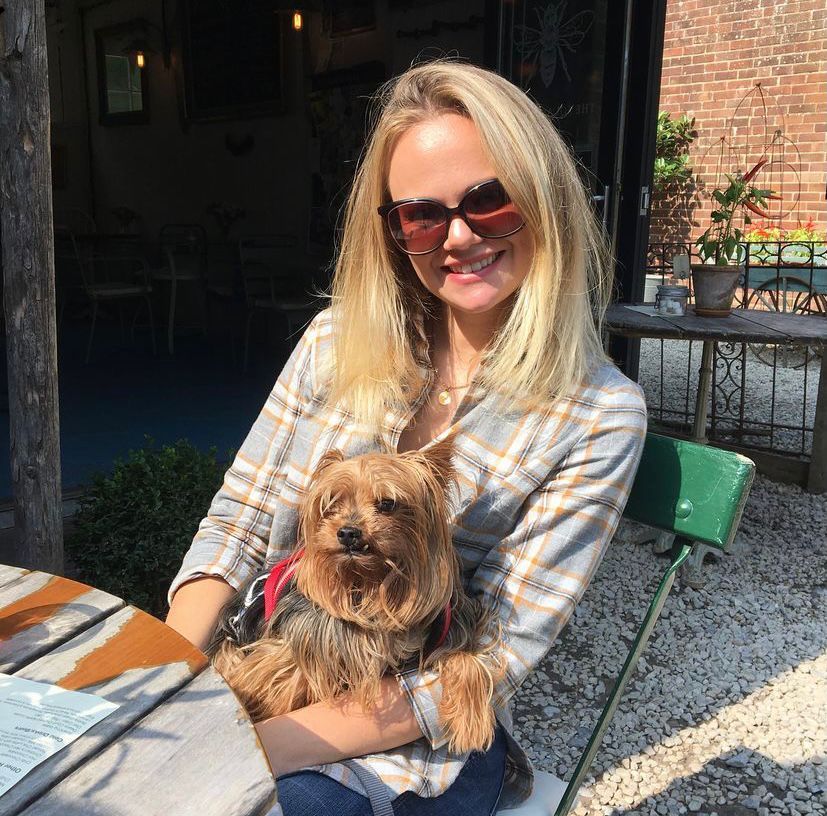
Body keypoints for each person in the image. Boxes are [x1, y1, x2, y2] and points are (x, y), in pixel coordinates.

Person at [166, 59, 647, 816]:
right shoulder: (334, 343)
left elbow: (491, 656)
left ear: (546, 198)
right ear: (393, 234)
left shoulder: (595, 414)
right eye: (421, 215)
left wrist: (247, 745)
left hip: (414, 737)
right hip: (274, 664)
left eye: (489, 201)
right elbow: (234, 527)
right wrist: (161, 686)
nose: (457, 237)